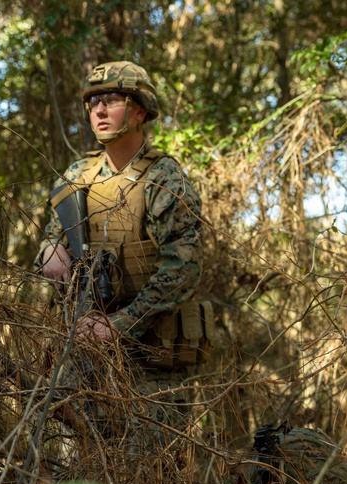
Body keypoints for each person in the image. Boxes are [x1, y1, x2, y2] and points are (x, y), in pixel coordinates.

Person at [38, 61, 207, 433]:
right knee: (85, 471)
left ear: (139, 109)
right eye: (93, 101)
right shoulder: (77, 177)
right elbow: (52, 236)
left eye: (111, 99)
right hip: (87, 359)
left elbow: (183, 270)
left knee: (150, 478)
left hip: (151, 363)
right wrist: (50, 249)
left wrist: (119, 326)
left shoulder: (163, 178)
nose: (98, 109)